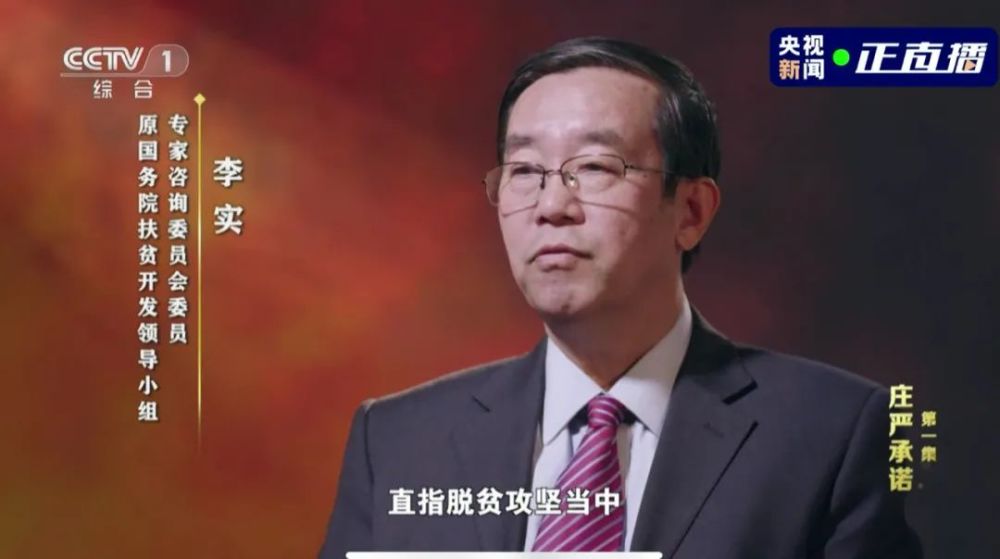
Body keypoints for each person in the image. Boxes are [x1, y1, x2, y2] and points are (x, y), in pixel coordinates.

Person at [318, 36, 923, 558]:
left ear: (691, 211)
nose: (551, 206)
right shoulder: (395, 441)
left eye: (596, 167)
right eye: (524, 171)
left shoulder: (831, 433)